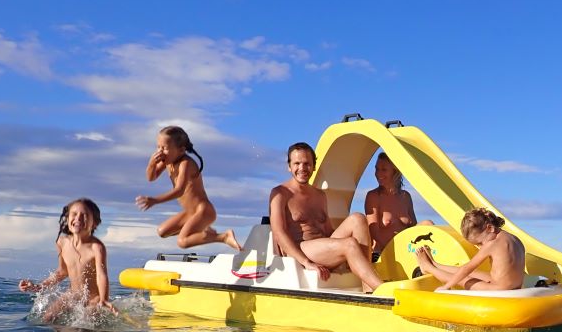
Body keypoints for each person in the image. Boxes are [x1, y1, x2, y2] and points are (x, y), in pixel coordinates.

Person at [268, 142, 384, 292]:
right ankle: (383, 290)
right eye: (297, 163)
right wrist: (307, 262)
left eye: (307, 164)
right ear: (289, 166)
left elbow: (328, 230)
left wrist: (340, 256)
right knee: (349, 244)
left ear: (314, 166)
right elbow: (279, 233)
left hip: (322, 248)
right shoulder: (280, 194)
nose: (302, 168)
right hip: (301, 249)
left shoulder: (320, 195)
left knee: (358, 218)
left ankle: (368, 288)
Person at [135, 125, 240, 250]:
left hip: (203, 211)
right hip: (190, 213)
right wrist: (151, 164)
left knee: (183, 242)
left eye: (165, 148)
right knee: (162, 231)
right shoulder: (167, 162)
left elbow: (179, 190)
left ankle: (223, 237)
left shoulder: (186, 163)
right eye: (158, 147)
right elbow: (151, 177)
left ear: (181, 150)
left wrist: (155, 200)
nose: (160, 151)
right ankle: (202, 231)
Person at [19, 197, 116, 321]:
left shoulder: (96, 247)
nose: (78, 218)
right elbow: (62, 272)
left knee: (86, 328)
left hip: (93, 298)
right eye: (74, 214)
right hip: (72, 295)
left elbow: (102, 275)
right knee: (47, 318)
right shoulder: (62, 242)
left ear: (95, 223)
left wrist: (104, 299)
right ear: (67, 218)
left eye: (84, 215)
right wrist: (38, 286)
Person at [416, 208, 525, 291]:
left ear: (490, 228)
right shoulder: (515, 239)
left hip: (499, 290)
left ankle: (429, 268)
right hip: (513, 286)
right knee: (475, 273)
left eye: (480, 243)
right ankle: (436, 264)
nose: (480, 247)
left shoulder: (492, 244)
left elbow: (466, 269)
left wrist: (446, 287)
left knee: (465, 279)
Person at [365, 152, 417, 258]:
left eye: (383, 169)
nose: (378, 173)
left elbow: (414, 229)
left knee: (427, 224)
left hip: (406, 252)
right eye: (377, 169)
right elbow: (374, 234)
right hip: (384, 254)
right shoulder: (373, 196)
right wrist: (398, 251)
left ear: (395, 171)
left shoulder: (406, 197)